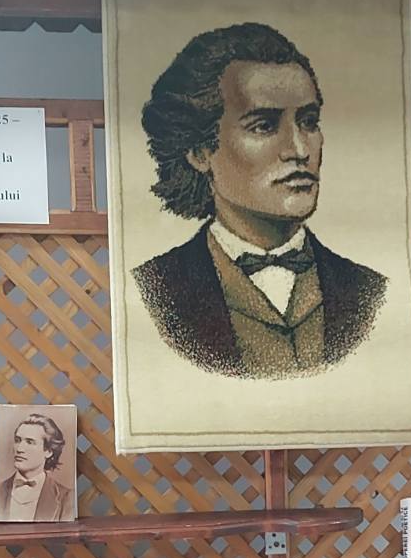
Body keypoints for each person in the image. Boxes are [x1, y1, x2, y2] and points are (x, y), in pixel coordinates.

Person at [133, 22, 387, 378]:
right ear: (200, 151)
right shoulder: (155, 290)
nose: (299, 150)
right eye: (264, 126)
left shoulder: (368, 291)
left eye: (309, 122)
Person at [0, 411, 75, 521]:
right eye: (17, 440)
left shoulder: (66, 497)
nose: (19, 449)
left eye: (30, 442)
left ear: (48, 451)